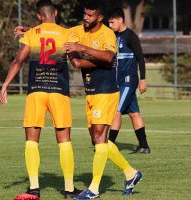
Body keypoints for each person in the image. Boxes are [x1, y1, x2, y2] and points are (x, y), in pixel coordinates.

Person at [0, 1, 81, 199]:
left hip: (36, 90)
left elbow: (19, 60)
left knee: (32, 140)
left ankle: (34, 188)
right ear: (56, 12)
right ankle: (69, 189)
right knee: (64, 140)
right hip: (58, 91)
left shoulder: (32, 34)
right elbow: (76, 62)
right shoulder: (66, 33)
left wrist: (5, 84)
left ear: (38, 16)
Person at [64, 1, 142, 199]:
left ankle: (94, 189)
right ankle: (131, 173)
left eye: (90, 15)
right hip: (91, 92)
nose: (85, 18)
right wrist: (31, 31)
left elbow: (108, 57)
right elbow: (74, 59)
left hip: (106, 92)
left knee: (99, 138)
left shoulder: (107, 34)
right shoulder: (77, 30)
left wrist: (82, 49)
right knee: (99, 141)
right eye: (84, 14)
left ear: (99, 17)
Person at [108, 7, 150, 154]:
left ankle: (109, 145)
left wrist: (143, 79)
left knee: (116, 111)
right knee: (134, 113)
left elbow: (140, 58)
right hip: (119, 81)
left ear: (120, 20)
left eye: (112, 22)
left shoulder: (130, 36)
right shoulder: (112, 36)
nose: (110, 25)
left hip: (128, 81)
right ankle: (144, 145)